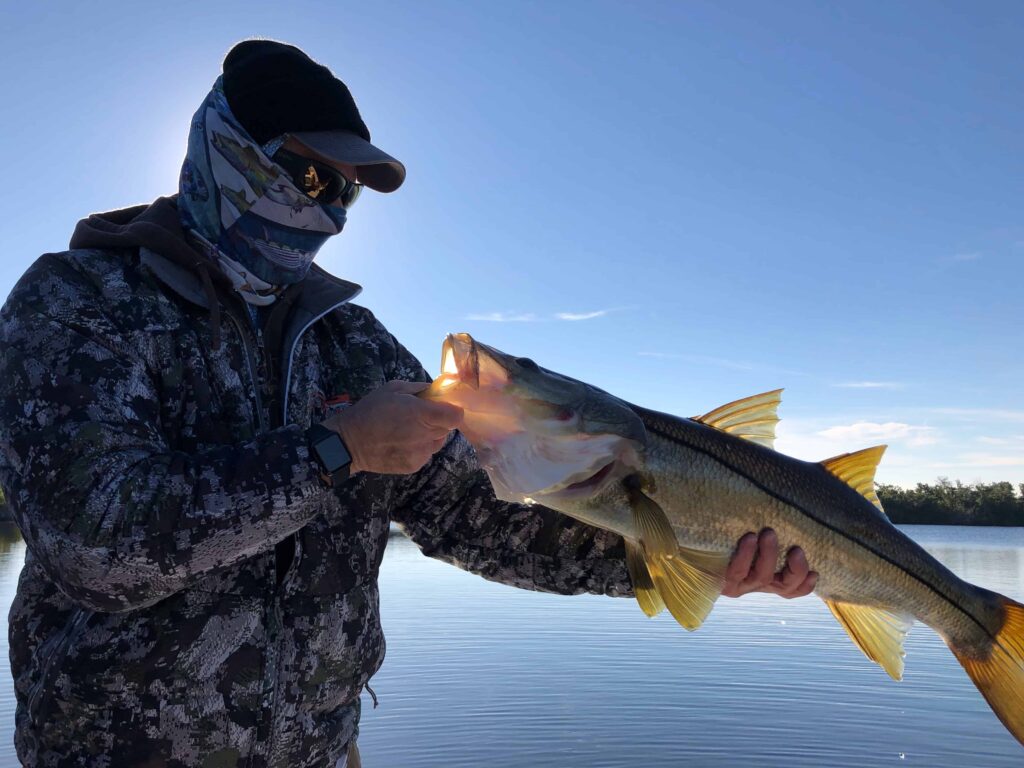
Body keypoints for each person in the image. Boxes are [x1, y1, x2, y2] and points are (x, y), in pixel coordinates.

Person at [0, 40, 817, 768]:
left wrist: (677, 556)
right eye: (313, 174)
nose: (327, 211)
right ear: (228, 150)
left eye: (348, 193)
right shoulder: (78, 304)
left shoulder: (353, 343)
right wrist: (334, 451)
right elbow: (96, 545)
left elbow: (479, 522)